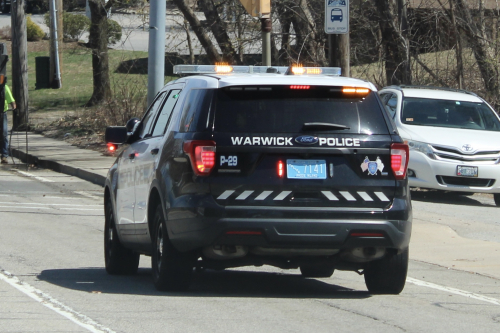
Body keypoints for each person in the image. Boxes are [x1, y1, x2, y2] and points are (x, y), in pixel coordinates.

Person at [1, 84, 16, 164]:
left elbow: (10, 99)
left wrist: (14, 106)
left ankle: (4, 155)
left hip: (2, 113)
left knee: (4, 134)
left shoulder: (4, 87)